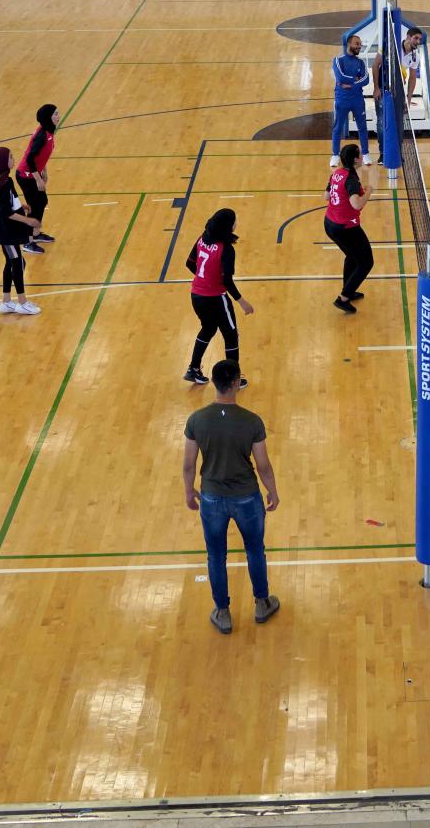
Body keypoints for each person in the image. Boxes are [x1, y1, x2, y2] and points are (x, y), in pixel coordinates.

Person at [183, 360, 281, 635]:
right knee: (254, 550)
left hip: (212, 498)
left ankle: (222, 612)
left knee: (215, 556)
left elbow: (189, 464)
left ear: (213, 382)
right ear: (237, 383)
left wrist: (189, 490)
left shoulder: (197, 420)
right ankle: (262, 603)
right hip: (247, 498)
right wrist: (272, 490)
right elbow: (262, 464)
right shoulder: (251, 421)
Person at [184, 208, 252, 384]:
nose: (237, 222)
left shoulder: (202, 238)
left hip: (196, 295)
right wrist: (242, 302)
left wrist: (204, 278)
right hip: (216, 298)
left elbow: (190, 264)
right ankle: (232, 380)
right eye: (234, 220)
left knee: (208, 329)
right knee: (230, 335)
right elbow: (227, 281)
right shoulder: (227, 249)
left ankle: (193, 369)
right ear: (228, 226)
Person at [0, 146, 40, 315]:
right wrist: (28, 220)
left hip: (3, 230)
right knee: (16, 262)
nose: (13, 159)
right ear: (3, 162)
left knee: (13, 262)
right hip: (5, 232)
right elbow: (5, 212)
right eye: (11, 157)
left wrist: (20, 205)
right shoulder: (3, 181)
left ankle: (7, 301)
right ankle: (22, 302)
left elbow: (2, 201)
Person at [325, 143, 375, 313]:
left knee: (352, 256)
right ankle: (343, 298)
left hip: (330, 223)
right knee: (366, 262)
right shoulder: (351, 179)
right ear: (355, 159)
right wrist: (368, 192)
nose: (362, 156)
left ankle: (349, 289)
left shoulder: (337, 173)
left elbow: (326, 195)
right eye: (360, 154)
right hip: (345, 228)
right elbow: (356, 204)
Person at [15, 104, 59, 245]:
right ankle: (28, 241)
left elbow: (41, 156)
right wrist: (38, 179)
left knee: (42, 202)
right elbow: (29, 158)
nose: (59, 117)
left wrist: (44, 170)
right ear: (48, 117)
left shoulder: (47, 131)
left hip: (33, 174)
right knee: (34, 206)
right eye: (55, 114)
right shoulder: (42, 136)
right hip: (25, 176)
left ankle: (36, 234)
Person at [328, 32, 370, 167]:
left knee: (362, 127)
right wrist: (355, 79)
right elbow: (340, 78)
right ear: (349, 44)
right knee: (337, 128)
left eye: (361, 45)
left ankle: (366, 154)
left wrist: (351, 84)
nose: (360, 47)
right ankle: (335, 155)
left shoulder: (361, 63)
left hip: (357, 100)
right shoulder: (338, 60)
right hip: (342, 100)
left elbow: (366, 79)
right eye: (357, 44)